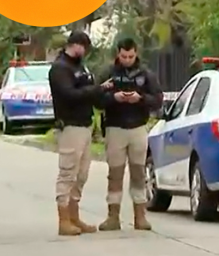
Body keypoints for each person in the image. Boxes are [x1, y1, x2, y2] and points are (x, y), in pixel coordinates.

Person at [49, 31, 113, 236]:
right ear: (75, 45)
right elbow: (68, 95)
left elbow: (88, 92)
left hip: (85, 124)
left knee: (82, 173)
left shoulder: (80, 66)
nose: (84, 52)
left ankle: (75, 215)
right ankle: (63, 219)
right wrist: (95, 90)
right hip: (70, 125)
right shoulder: (60, 68)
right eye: (83, 47)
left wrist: (103, 93)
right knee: (68, 172)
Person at [97, 38, 163, 231]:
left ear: (136, 53)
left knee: (138, 172)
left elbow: (157, 99)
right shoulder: (108, 73)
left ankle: (140, 216)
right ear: (118, 53)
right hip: (115, 127)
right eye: (124, 56)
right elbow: (96, 97)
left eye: (131, 56)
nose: (127, 59)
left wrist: (140, 98)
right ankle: (113, 216)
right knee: (115, 173)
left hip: (137, 128)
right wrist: (113, 98)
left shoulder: (146, 74)